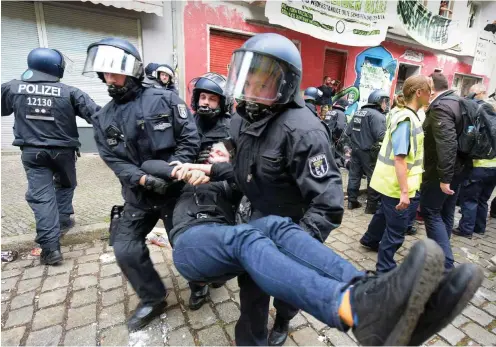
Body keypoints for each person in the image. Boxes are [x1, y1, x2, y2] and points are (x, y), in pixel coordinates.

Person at [169, 156, 483, 347]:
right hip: (191, 241)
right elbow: (146, 166)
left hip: (226, 233)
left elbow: (246, 177)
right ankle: (353, 310)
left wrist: (213, 169)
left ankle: (379, 300)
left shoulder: (225, 178)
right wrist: (182, 170)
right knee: (250, 239)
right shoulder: (179, 176)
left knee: (277, 225)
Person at [206, 33, 344, 346]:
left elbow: (328, 203)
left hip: (291, 226)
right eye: (247, 83)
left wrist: (295, 244)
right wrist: (217, 164)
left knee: (287, 286)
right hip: (255, 220)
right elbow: (247, 167)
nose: (251, 93)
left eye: (262, 85)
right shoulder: (241, 118)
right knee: (251, 291)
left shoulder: (304, 131)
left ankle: (283, 318)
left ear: (284, 86)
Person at [83, 38, 200, 331]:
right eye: (105, 73)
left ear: (132, 69)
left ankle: (201, 282)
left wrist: (173, 171)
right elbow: (112, 158)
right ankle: (153, 298)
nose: (110, 79)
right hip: (139, 195)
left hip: (175, 192)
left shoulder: (165, 99)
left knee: (187, 244)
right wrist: (143, 179)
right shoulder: (103, 117)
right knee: (124, 248)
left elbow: (190, 139)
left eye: (115, 72)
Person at [1, 48, 100, 265]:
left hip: (32, 153)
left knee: (42, 197)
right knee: (66, 185)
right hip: (64, 152)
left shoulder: (13, 88)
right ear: (56, 67)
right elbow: (98, 116)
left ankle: (51, 249)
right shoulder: (70, 92)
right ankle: (62, 220)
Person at [359, 75, 431, 272]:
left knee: (383, 213)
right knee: (396, 232)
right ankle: (385, 270)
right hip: (396, 185)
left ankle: (370, 239)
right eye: (428, 91)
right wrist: (405, 192)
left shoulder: (400, 113)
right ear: (418, 93)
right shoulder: (407, 119)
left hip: (387, 181)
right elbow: (400, 159)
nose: (430, 96)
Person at [185, 72, 233, 310]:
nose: (205, 102)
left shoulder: (232, 127)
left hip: (219, 191)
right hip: (189, 189)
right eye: (202, 97)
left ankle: (219, 273)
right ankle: (197, 285)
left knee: (218, 239)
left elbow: (238, 164)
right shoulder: (187, 122)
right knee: (189, 238)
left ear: (222, 102)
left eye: (212, 99)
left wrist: (217, 165)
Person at [421, 72, 470, 271]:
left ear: (431, 86)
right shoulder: (458, 102)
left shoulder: (441, 106)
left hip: (441, 172)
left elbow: (447, 144)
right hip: (459, 169)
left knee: (431, 212)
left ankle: (445, 264)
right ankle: (443, 252)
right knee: (447, 211)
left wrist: (444, 178)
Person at [454, 84, 495, 238]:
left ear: (479, 93)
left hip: (479, 166)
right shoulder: (493, 114)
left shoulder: (478, 112)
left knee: (470, 199)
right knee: (484, 199)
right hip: (494, 168)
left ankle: (466, 229)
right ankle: (479, 227)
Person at [346, 90, 388, 214]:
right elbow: (381, 135)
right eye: (384, 101)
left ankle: (352, 201)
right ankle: (371, 206)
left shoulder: (359, 112)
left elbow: (348, 131)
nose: (385, 104)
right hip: (369, 152)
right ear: (378, 100)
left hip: (356, 149)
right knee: (373, 178)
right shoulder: (378, 116)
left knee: (354, 175)